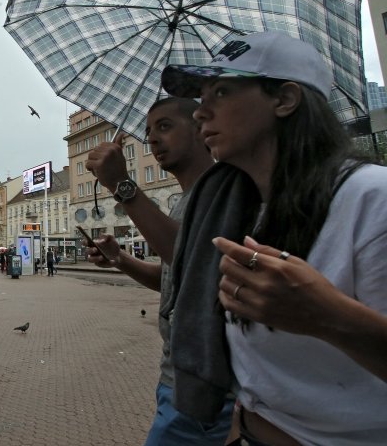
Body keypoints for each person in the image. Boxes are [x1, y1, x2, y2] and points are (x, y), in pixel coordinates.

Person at [160, 31, 387, 444]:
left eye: (222, 91)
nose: (199, 113)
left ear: (284, 100)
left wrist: (329, 317)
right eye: (201, 95)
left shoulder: (372, 198)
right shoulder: (237, 210)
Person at [86, 97, 232, 445]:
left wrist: (121, 184)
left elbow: (189, 260)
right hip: (177, 379)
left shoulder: (222, 190)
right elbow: (174, 283)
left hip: (205, 389)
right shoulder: (186, 200)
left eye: (164, 127)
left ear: (201, 128)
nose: (151, 139)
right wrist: (120, 258)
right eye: (148, 131)